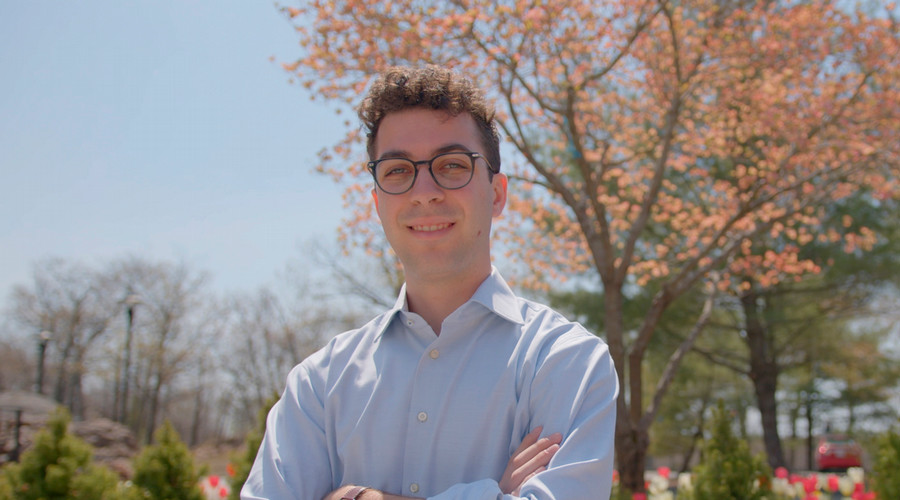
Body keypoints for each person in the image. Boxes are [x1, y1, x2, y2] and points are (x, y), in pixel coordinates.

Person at [241, 65, 618, 500]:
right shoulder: (318, 385)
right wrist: (491, 495)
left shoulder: (568, 361)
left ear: (496, 194)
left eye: (452, 165)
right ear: (377, 202)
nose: (424, 190)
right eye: (398, 170)